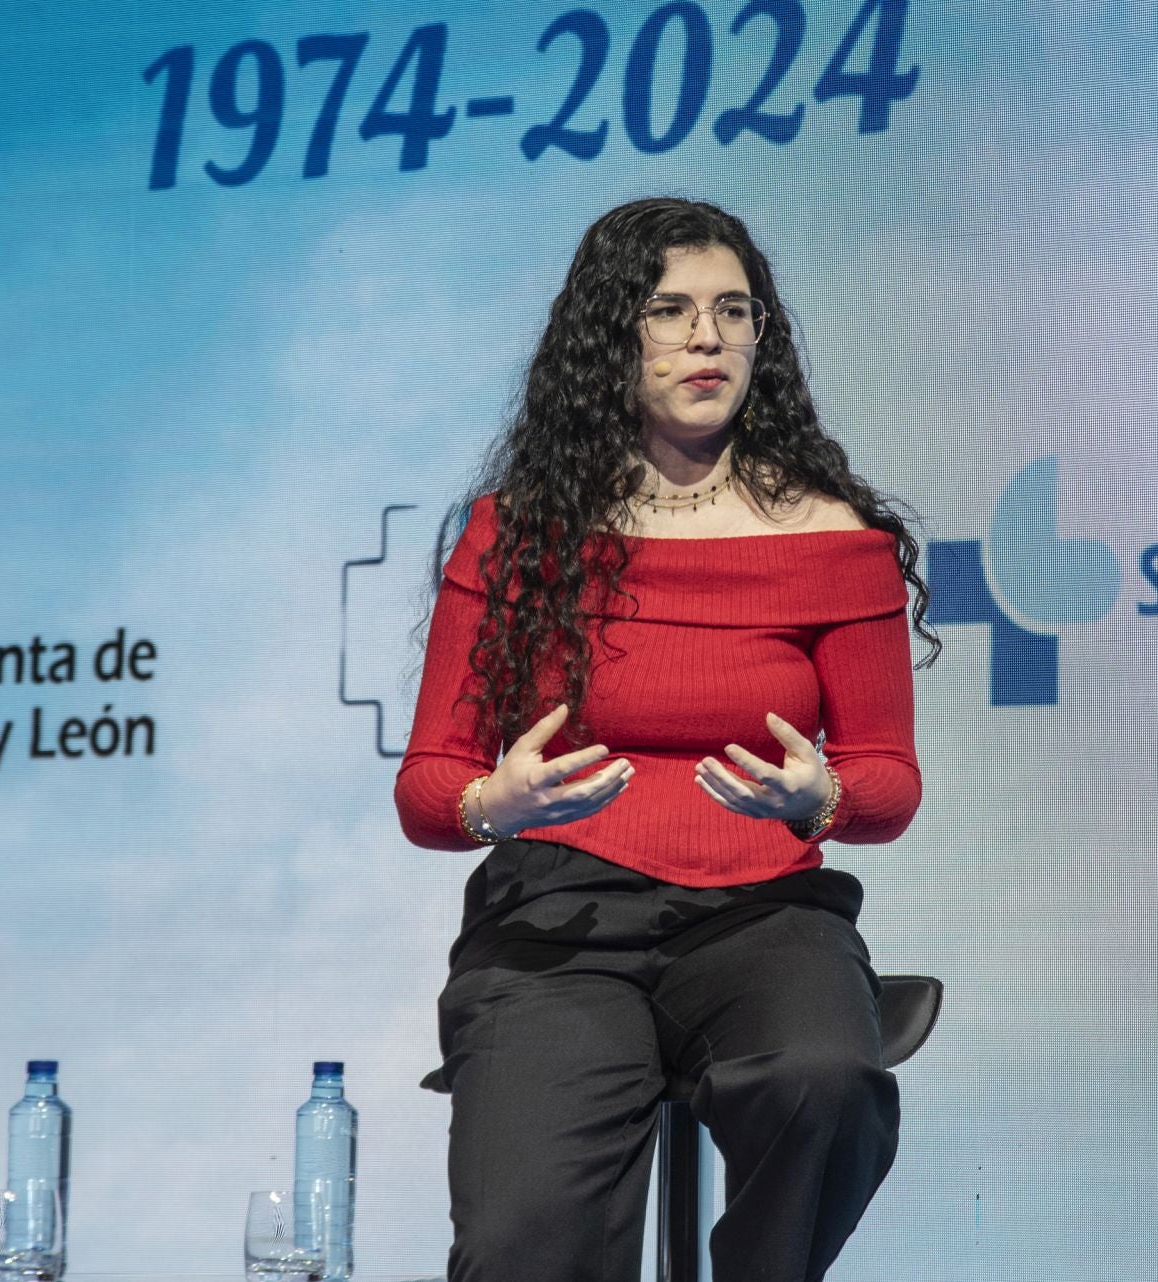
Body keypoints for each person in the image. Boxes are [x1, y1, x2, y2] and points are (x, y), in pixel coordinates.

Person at [394, 196, 936, 1282]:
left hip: (763, 915)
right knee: (518, 1239)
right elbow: (429, 787)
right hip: (558, 916)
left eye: (735, 313)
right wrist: (491, 806)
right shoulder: (516, 534)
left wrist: (820, 798)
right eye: (672, 311)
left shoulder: (836, 541)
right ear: (611, 337)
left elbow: (888, 783)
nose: (709, 338)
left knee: (826, 1078)